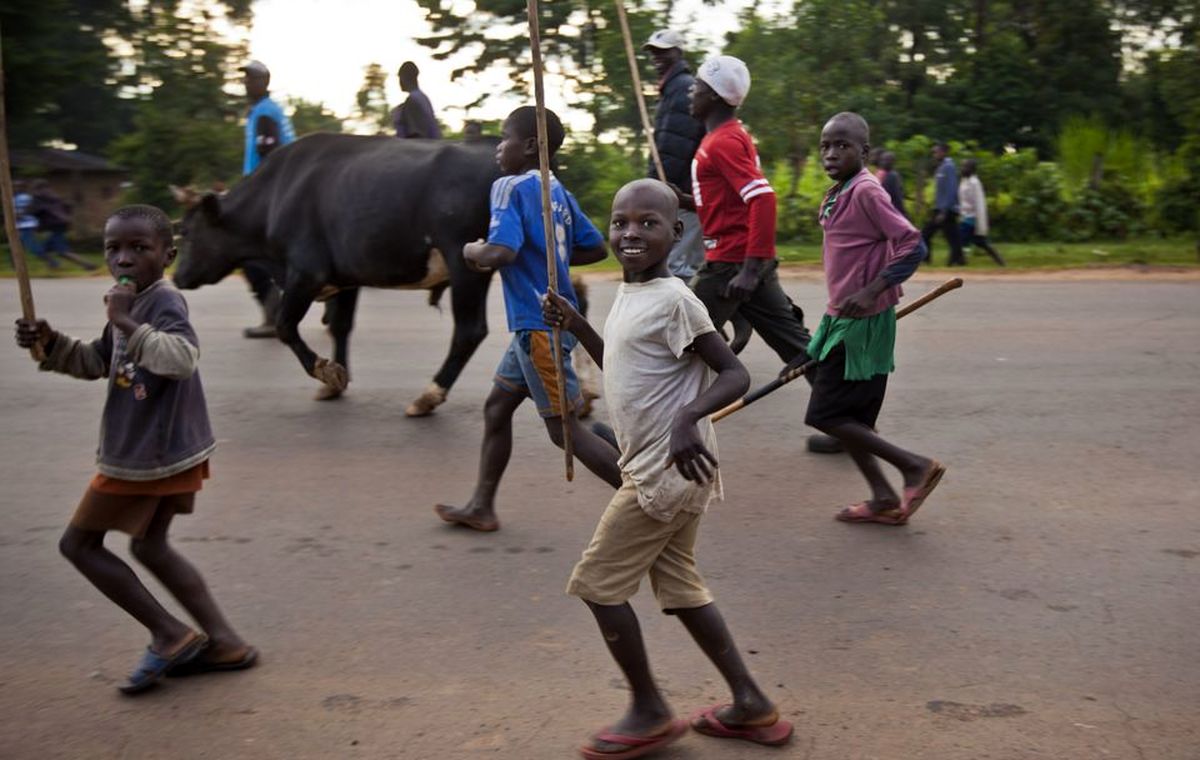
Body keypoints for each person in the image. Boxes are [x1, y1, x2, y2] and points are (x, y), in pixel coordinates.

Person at [543, 179, 793, 759]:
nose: (631, 233)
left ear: (675, 233)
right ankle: (752, 705)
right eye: (620, 222)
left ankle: (650, 710)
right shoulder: (631, 295)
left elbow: (734, 374)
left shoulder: (677, 299)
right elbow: (627, 367)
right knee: (680, 588)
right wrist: (578, 326)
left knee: (597, 585)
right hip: (665, 471)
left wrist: (689, 415)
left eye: (647, 223)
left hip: (665, 472)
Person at [13, 205, 256, 694]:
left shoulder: (162, 300)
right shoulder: (128, 302)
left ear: (167, 254)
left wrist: (125, 321)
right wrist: (48, 343)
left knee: (77, 545)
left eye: (139, 249)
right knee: (150, 545)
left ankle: (169, 633)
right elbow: (96, 362)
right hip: (166, 448)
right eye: (113, 249)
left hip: (151, 454)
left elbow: (181, 359)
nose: (123, 259)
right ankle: (226, 641)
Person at [433, 106, 621, 532]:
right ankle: (482, 505)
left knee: (565, 431)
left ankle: (646, 501)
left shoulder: (508, 187)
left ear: (532, 146)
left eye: (505, 137)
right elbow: (593, 248)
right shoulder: (557, 189)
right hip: (538, 328)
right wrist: (548, 253)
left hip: (539, 328)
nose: (499, 147)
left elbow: (501, 252)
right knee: (497, 407)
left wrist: (468, 252)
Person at [675, 55, 839, 454]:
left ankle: (658, 429)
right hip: (743, 261)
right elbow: (730, 205)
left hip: (730, 265)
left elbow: (762, 199)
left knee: (676, 341)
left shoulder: (724, 140)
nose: (690, 93)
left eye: (697, 87)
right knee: (799, 347)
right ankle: (845, 423)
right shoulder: (731, 135)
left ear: (714, 96)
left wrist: (748, 270)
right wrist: (683, 201)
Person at [800, 112, 945, 525]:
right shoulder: (840, 191)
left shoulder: (866, 191)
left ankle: (914, 466)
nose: (831, 153)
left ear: (863, 151)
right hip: (844, 318)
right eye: (825, 145)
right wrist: (813, 347)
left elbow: (912, 245)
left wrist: (870, 291)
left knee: (825, 416)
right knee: (855, 420)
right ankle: (882, 496)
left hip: (863, 325)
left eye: (842, 145)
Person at [240, 60, 295, 338]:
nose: (246, 83)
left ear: (265, 81)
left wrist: (253, 194)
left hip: (266, 191)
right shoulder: (264, 111)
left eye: (251, 78)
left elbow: (269, 156)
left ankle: (274, 315)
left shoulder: (264, 113)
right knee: (274, 254)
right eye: (245, 78)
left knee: (249, 254)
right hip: (273, 189)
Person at [29, 179, 98, 270]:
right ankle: (53, 266)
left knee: (61, 251)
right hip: (62, 223)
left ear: (36, 188)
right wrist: (66, 217)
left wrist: (38, 224)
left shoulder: (38, 197)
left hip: (53, 225)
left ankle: (88, 264)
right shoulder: (53, 195)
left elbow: (34, 211)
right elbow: (68, 206)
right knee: (44, 249)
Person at [921, 141, 965, 266]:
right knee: (952, 237)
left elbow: (951, 189)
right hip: (940, 208)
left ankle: (927, 259)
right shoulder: (941, 167)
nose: (934, 154)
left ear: (944, 152)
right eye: (933, 152)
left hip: (946, 209)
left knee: (927, 234)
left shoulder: (949, 167)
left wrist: (944, 211)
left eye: (936, 152)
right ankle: (958, 260)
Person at [958, 159, 1005, 266]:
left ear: (972, 169)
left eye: (965, 167)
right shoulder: (964, 180)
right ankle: (999, 261)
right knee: (979, 242)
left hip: (972, 217)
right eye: (962, 166)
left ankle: (961, 262)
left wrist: (979, 221)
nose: (962, 169)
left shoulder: (975, 183)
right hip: (965, 215)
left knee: (962, 240)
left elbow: (979, 202)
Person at [392, 61, 442, 139]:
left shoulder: (412, 100)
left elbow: (415, 134)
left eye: (400, 78)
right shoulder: (422, 98)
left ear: (404, 77)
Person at [13, 180, 55, 269]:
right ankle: (16, 266)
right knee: (17, 246)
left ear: (23, 188)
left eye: (18, 186)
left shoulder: (25, 198)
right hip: (21, 225)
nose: (16, 188)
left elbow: (30, 210)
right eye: (15, 186)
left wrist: (20, 216)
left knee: (31, 245)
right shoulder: (15, 198)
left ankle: (52, 262)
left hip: (27, 224)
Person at [877, 150, 907, 218]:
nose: (884, 162)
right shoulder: (891, 175)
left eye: (887, 160)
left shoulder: (890, 175)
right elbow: (898, 196)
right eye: (882, 160)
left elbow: (897, 195)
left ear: (893, 162)